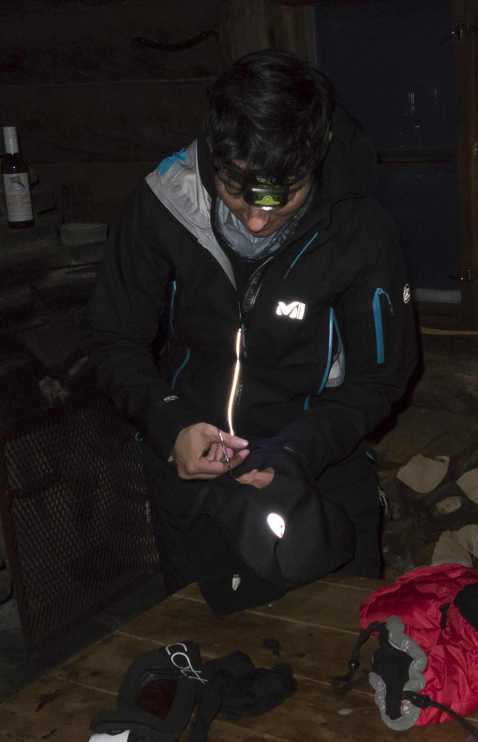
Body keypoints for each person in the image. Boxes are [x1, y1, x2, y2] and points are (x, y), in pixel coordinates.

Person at [80, 49, 419, 608]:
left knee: (338, 658)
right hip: (192, 480)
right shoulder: (164, 206)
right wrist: (170, 424)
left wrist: (293, 454)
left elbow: (383, 377)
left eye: (280, 195)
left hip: (320, 478)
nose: (256, 219)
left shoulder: (361, 228)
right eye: (235, 191)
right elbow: (112, 337)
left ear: (317, 158)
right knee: (206, 653)